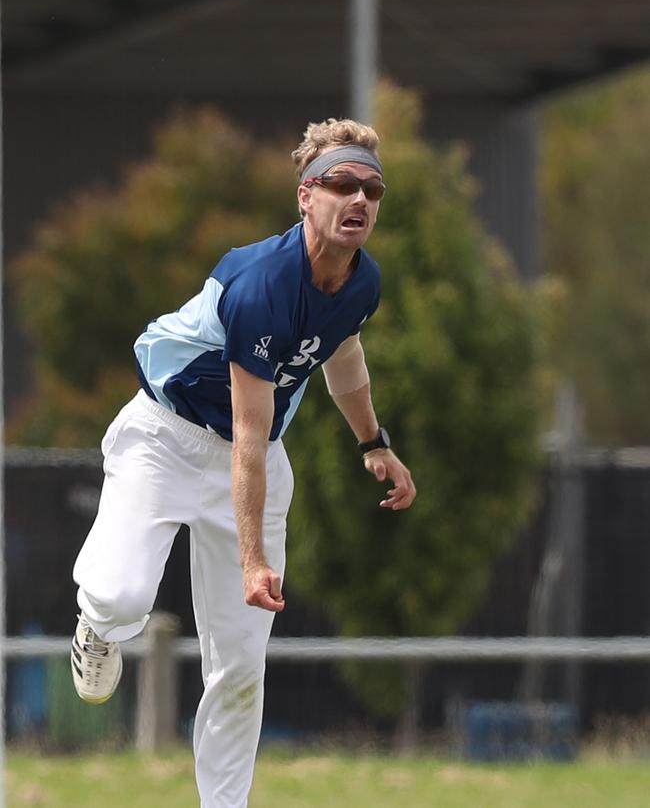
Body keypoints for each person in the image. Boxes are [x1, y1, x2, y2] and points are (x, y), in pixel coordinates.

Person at [70, 117, 417, 807]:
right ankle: (96, 629)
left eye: (372, 189)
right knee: (120, 594)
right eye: (342, 183)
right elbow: (248, 435)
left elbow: (339, 355)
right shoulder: (263, 284)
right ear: (305, 196)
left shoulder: (361, 280)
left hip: (254, 461)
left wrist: (374, 441)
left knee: (239, 668)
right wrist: (254, 558)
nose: (360, 200)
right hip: (165, 441)